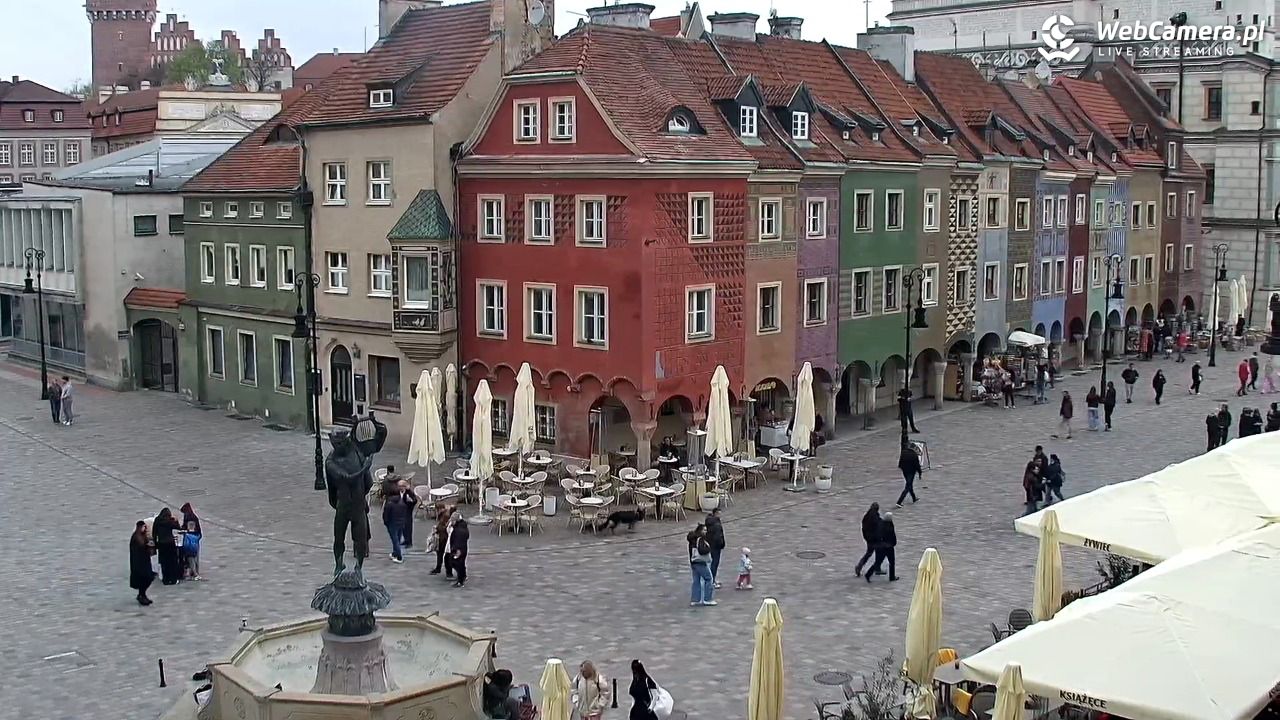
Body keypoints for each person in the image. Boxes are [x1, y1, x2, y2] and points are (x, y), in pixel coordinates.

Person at [381, 482, 412, 564]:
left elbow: (386, 514)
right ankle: (395, 553)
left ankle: (399, 556)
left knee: (395, 540)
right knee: (397, 538)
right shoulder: (402, 503)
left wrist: (386, 522)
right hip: (401, 523)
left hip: (392, 524)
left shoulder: (390, 503)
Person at [152, 507, 182, 585]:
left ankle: (166, 580)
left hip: (161, 543)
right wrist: (176, 520)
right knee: (172, 562)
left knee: (164, 562)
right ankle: (173, 579)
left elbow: (154, 533)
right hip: (170, 543)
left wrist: (156, 544)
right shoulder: (170, 521)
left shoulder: (157, 520)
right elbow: (178, 528)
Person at [129, 520, 155, 606]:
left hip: (144, 561)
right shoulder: (136, 537)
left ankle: (142, 594)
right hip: (139, 562)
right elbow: (138, 549)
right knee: (145, 578)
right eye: (144, 527)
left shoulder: (143, 536)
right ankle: (142, 595)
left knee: (148, 577)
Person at [688, 524, 715, 606]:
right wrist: (709, 549)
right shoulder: (700, 539)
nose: (706, 532)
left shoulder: (692, 540)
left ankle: (695, 600)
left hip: (693, 562)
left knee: (696, 581)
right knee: (709, 579)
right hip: (700, 562)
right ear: (700, 531)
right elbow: (702, 551)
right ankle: (707, 599)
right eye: (704, 530)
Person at [866, 512, 898, 582]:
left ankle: (868, 574)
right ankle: (892, 577)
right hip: (888, 547)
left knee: (878, 562)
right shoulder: (889, 526)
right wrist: (893, 543)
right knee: (892, 562)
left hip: (881, 547)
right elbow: (892, 536)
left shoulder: (881, 524)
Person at [854, 503, 882, 578]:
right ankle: (877, 569)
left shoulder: (867, 516)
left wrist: (866, 537)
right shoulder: (875, 517)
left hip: (868, 539)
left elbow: (863, 527)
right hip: (874, 539)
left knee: (869, 553)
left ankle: (859, 566)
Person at [704, 507, 726, 588]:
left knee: (712, 563)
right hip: (716, 546)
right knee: (714, 564)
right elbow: (718, 537)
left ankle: (711, 580)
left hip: (710, 544)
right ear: (716, 513)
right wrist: (721, 544)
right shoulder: (716, 524)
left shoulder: (710, 521)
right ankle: (712, 581)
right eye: (719, 513)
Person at [429, 506, 454, 577]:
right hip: (443, 539)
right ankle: (440, 568)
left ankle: (446, 571)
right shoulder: (445, 515)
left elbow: (443, 528)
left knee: (445, 556)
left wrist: (437, 529)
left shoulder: (446, 516)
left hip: (444, 539)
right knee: (441, 554)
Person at [896, 440, 921, 507]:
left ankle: (914, 498)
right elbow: (917, 465)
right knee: (908, 486)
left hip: (905, 471)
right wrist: (919, 472)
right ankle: (899, 501)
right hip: (911, 472)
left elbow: (900, 462)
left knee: (909, 484)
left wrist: (902, 468)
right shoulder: (914, 455)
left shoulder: (903, 452)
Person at [447, 516, 469, 587]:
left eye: (452, 521)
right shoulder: (463, 527)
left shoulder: (458, 530)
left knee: (458, 564)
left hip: (458, 549)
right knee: (461, 564)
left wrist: (457, 550)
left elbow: (458, 541)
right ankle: (462, 577)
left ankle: (460, 581)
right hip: (463, 549)